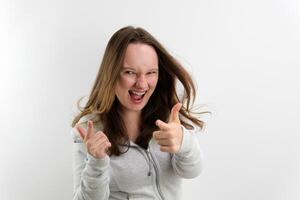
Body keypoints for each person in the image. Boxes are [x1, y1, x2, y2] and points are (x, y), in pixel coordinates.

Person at [70, 26, 209, 200]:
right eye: (130, 72)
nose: (142, 85)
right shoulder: (88, 131)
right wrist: (96, 162)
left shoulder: (168, 117)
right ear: (111, 74)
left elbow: (191, 171)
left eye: (151, 73)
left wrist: (184, 142)